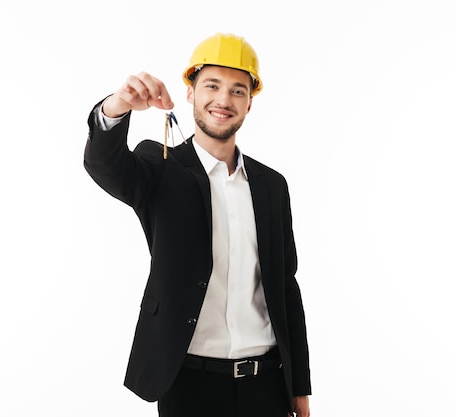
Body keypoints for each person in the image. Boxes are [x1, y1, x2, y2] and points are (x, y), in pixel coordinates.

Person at [84, 33, 311, 417]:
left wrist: (299, 386)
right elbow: (105, 165)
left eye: (237, 91)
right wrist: (118, 106)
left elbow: (286, 287)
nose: (224, 100)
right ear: (190, 93)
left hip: (268, 383)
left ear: (250, 103)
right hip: (189, 383)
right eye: (212, 85)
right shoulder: (159, 167)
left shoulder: (272, 185)